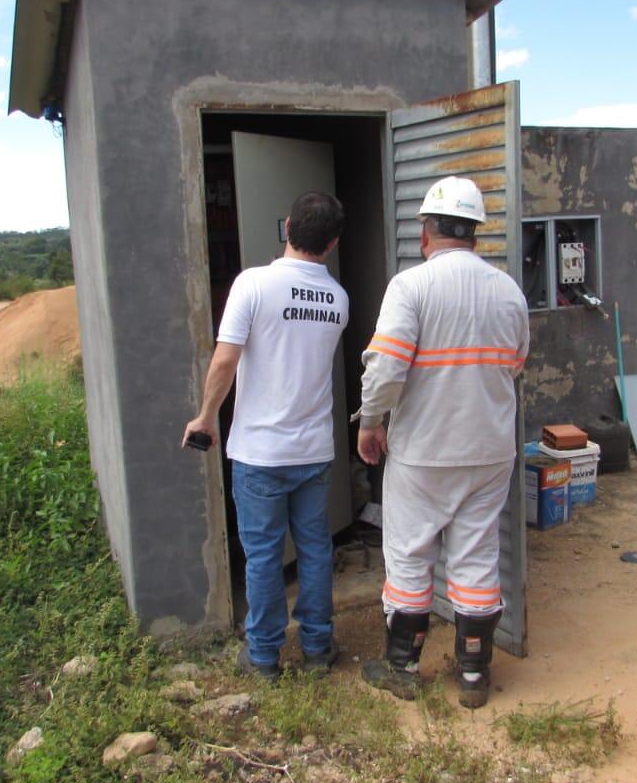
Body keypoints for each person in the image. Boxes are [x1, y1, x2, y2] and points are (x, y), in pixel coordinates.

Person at [354, 175, 529, 708]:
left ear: (426, 231)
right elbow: (515, 364)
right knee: (476, 554)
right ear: (475, 232)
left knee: (410, 553)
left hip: (425, 453)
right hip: (490, 451)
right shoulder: (508, 291)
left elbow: (385, 369)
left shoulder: (411, 287)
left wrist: (370, 422)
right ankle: (474, 674)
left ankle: (403, 667)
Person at [183, 191, 349, 681]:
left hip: (259, 453)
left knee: (263, 556)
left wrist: (206, 417)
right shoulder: (338, 299)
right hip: (313, 451)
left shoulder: (253, 284)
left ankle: (263, 658)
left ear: (287, 228)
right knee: (315, 550)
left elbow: (225, 358)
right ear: (332, 243)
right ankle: (317, 649)